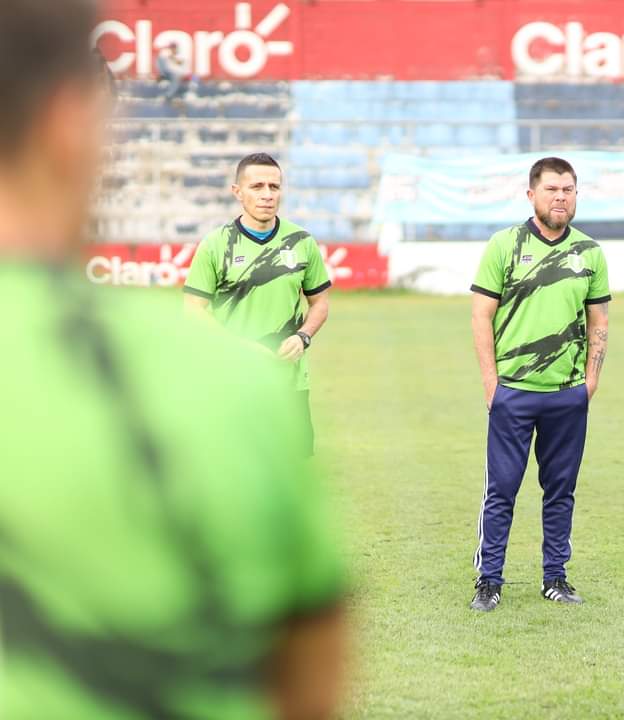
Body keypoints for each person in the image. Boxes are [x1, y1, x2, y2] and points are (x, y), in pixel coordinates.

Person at [1, 2, 347, 719]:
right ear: (73, 123)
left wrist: (303, 337)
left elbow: (319, 302)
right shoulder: (217, 387)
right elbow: (306, 680)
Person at [468, 157, 611, 612]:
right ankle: (489, 580)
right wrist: (492, 383)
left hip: (567, 395)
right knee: (502, 490)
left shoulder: (589, 252)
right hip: (513, 391)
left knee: (561, 490)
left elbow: (599, 320)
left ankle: (555, 578)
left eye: (568, 189)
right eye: (552, 189)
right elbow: (480, 315)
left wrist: (589, 381)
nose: (561, 197)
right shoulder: (504, 245)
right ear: (531, 194)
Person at [184, 152, 331, 456]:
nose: (267, 195)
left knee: (291, 473)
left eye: (274, 187)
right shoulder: (215, 244)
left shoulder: (302, 241)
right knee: (234, 472)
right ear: (237, 192)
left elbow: (320, 303)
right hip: (231, 380)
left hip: (289, 381)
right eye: (257, 186)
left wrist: (303, 336)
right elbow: (193, 310)